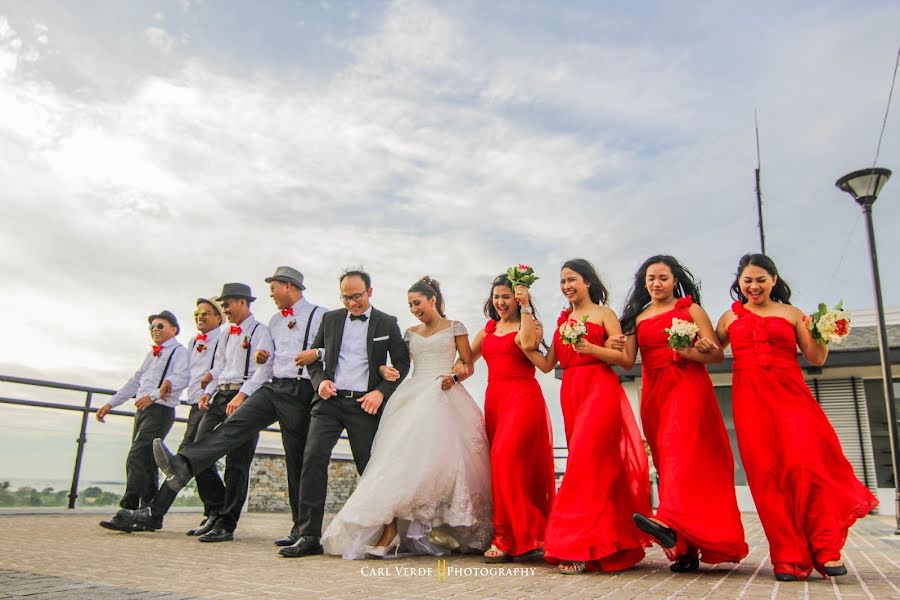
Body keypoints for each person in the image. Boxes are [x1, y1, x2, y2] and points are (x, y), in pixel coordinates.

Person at [715, 253, 878, 581]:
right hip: (750, 403)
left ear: (774, 280)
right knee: (767, 477)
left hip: (791, 398)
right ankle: (788, 558)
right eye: (747, 280)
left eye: (761, 279)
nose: (754, 285)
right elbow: (712, 353)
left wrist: (823, 332)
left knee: (811, 466)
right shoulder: (728, 319)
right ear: (739, 283)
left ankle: (826, 548)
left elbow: (816, 358)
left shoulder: (792, 314)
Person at [136, 269, 327, 547]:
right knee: (233, 427)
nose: (271, 294)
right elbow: (265, 364)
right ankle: (183, 463)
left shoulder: (319, 315)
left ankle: (302, 529)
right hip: (272, 386)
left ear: (289, 286)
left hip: (301, 389)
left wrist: (315, 354)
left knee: (296, 460)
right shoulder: (274, 321)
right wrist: (245, 393)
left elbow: (331, 349)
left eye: (274, 288)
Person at [322, 276, 492, 559]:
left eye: (417, 303)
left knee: (443, 466)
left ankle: (439, 530)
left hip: (445, 395)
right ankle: (390, 531)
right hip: (412, 395)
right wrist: (384, 371)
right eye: (410, 305)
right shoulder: (410, 333)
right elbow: (399, 365)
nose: (413, 309)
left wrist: (453, 375)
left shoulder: (455, 327)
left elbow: (467, 364)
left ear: (432, 300)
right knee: (399, 462)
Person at [111, 283, 273, 541]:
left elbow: (264, 371)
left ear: (242, 302)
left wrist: (243, 396)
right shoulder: (226, 334)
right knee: (198, 451)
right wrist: (208, 389)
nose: (226, 309)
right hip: (220, 395)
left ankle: (225, 523)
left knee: (237, 464)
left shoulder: (260, 331)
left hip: (247, 396)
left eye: (227, 304)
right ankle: (209, 512)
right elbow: (219, 365)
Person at [615, 255, 747, 572]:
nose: (656, 283)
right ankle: (684, 547)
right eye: (651, 278)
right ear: (644, 283)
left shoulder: (691, 310)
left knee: (682, 458)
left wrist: (691, 351)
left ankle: (667, 521)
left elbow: (716, 353)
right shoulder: (638, 317)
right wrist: (600, 342)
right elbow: (626, 360)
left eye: (662, 277)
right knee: (666, 460)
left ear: (675, 280)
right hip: (654, 393)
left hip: (687, 387)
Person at [528, 259, 650, 574]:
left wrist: (590, 348)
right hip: (572, 393)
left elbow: (624, 360)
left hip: (600, 390)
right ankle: (608, 543)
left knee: (585, 464)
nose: (567, 286)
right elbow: (546, 364)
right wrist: (523, 336)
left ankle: (578, 545)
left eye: (572, 280)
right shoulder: (562, 321)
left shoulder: (604, 314)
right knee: (594, 467)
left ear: (588, 282)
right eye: (563, 281)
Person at [279, 269, 411, 558]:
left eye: (357, 297)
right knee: (312, 459)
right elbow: (313, 358)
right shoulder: (331, 319)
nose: (352, 303)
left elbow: (402, 363)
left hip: (364, 405)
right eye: (346, 298)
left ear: (370, 292)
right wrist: (320, 381)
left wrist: (380, 393)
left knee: (369, 468)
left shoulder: (387, 323)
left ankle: (388, 531)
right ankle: (308, 535)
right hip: (328, 402)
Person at [463, 273, 555, 564]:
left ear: (517, 298)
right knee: (509, 469)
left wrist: (525, 305)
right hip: (495, 401)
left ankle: (505, 538)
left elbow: (528, 344)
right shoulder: (489, 330)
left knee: (505, 460)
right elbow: (467, 360)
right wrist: (452, 373)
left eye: (507, 296)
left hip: (523, 399)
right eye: (497, 296)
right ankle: (528, 534)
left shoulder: (531, 324)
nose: (501, 302)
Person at [98, 310, 189, 531]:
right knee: (147, 461)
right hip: (143, 410)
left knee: (137, 455)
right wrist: (111, 404)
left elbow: (181, 378)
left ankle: (127, 509)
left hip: (160, 410)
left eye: (160, 326)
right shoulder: (151, 355)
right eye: (152, 327)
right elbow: (135, 381)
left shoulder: (179, 351)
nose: (155, 330)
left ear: (173, 329)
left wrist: (154, 396)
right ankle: (148, 515)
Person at [179, 297, 225, 536]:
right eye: (198, 312)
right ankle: (213, 511)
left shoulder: (223, 338)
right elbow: (185, 374)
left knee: (194, 454)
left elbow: (222, 369)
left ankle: (217, 510)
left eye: (207, 312)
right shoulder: (192, 342)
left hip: (212, 402)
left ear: (219, 317)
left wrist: (209, 392)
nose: (200, 316)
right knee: (194, 457)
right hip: (195, 403)